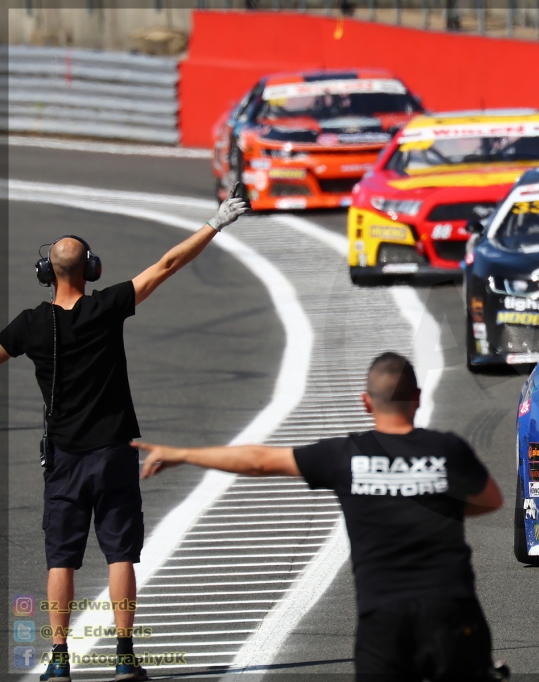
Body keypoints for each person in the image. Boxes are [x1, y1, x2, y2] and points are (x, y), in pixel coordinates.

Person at [134, 352, 509, 682]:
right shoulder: (446, 449)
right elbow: (491, 499)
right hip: (451, 610)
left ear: (366, 403)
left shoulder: (346, 455)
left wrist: (182, 453)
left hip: (383, 619)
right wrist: (427, 498)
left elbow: (259, 461)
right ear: (418, 398)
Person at [0, 197, 249, 682]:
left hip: (64, 460)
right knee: (119, 554)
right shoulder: (107, 306)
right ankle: (124, 654)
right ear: (90, 270)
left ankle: (58, 658)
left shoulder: (31, 325)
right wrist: (215, 223)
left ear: (45, 273)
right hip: (114, 452)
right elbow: (167, 264)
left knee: (61, 559)